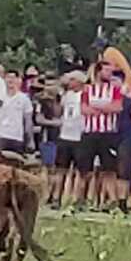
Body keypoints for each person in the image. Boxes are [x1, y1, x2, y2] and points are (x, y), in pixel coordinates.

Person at [76, 61, 123, 210]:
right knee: (85, 170)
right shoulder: (88, 90)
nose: (110, 74)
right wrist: (105, 108)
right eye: (107, 71)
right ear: (98, 72)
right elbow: (84, 109)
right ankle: (81, 199)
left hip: (107, 134)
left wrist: (96, 107)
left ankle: (112, 201)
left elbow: (117, 107)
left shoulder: (114, 90)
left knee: (109, 170)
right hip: (90, 133)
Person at [51, 71, 87, 208]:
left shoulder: (85, 95)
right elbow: (58, 112)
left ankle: (79, 198)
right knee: (61, 169)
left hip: (79, 135)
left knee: (81, 171)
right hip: (65, 135)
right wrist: (58, 98)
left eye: (72, 80)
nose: (70, 82)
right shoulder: (67, 95)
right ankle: (56, 197)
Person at [113, 70, 131, 213]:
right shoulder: (105, 100)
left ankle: (123, 202)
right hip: (110, 136)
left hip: (127, 137)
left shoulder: (130, 102)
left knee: (124, 171)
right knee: (108, 171)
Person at [0, 70, 35, 155]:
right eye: (8, 77)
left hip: (17, 137)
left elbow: (28, 120)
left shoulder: (24, 99)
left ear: (18, 80)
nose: (10, 80)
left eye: (13, 78)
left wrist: (30, 140)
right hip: (0, 136)